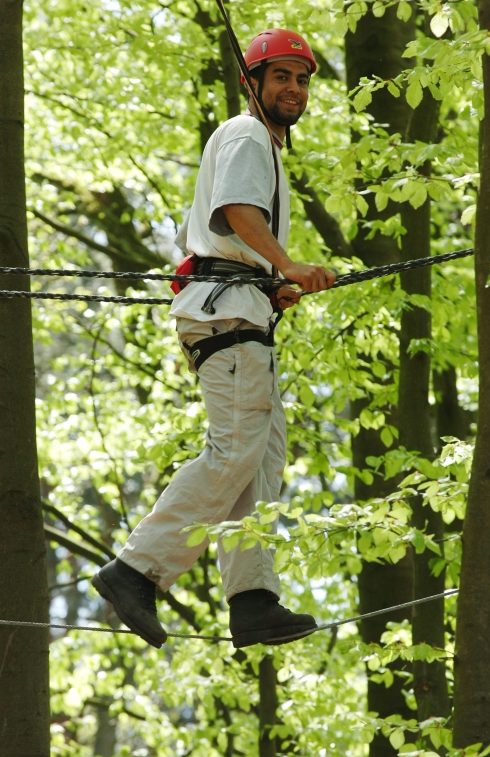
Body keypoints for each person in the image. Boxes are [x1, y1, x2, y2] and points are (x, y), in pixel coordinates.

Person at [92, 28, 336, 649]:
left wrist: (269, 283)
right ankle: (135, 569)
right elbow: (235, 213)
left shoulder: (258, 145)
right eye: (280, 76)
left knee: (260, 457)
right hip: (226, 313)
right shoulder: (249, 132)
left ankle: (252, 598)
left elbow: (224, 234)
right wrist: (285, 264)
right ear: (251, 83)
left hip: (238, 305)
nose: (294, 88)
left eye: (302, 79)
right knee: (234, 450)